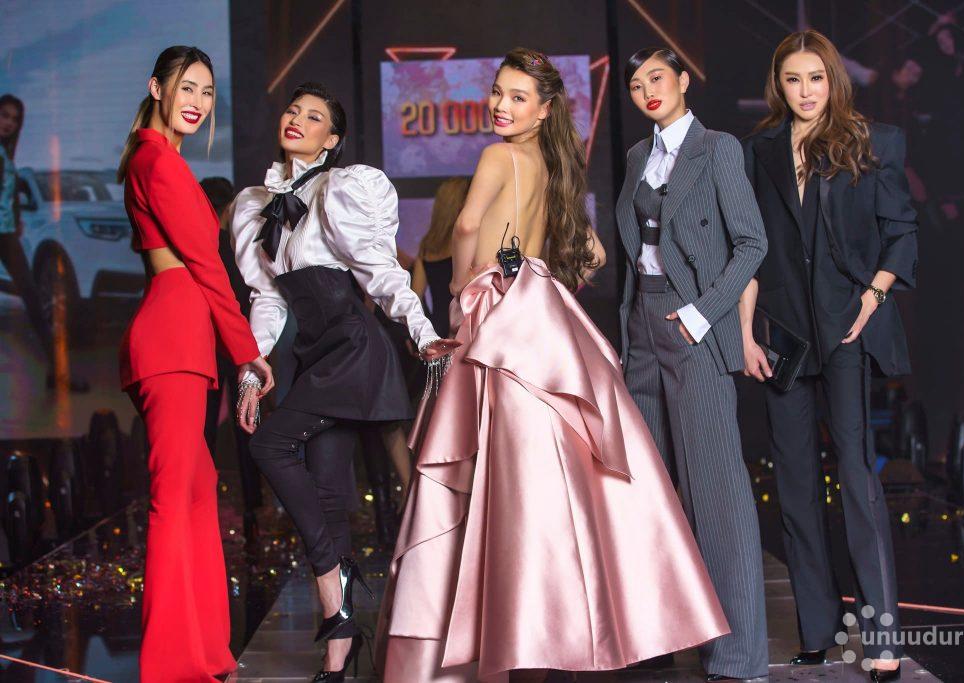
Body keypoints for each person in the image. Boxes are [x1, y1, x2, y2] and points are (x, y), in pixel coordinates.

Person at [378, 48, 729, 683]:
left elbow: (466, 225)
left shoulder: (497, 157)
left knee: (485, 471)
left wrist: (462, 288)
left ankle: (492, 631)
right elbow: (593, 253)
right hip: (542, 314)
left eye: (517, 97)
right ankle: (549, 624)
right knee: (546, 475)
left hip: (494, 315)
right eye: (498, 92)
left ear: (543, 110)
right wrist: (535, 274)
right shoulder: (554, 166)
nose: (500, 106)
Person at [231, 81, 457, 681]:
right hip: (316, 356)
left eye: (314, 117)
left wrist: (421, 330)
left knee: (270, 445)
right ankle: (341, 647)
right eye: (293, 110)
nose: (297, 120)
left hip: (356, 351)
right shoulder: (257, 204)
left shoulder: (340, 189)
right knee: (330, 494)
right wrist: (254, 368)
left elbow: (380, 271)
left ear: (331, 140)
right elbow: (268, 298)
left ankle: (334, 577)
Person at [740, 29, 916, 682]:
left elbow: (902, 234)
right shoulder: (760, 150)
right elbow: (751, 246)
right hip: (784, 334)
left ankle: (882, 635)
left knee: (857, 478)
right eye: (793, 79)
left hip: (848, 327)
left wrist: (873, 297)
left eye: (816, 77)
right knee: (794, 483)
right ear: (779, 85)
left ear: (833, 80)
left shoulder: (872, 142)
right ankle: (817, 630)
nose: (806, 91)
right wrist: (745, 333)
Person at [118, 46, 272, 682]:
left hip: (181, 340)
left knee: (196, 493)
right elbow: (207, 268)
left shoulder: (160, 159)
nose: (198, 102)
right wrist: (248, 353)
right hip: (173, 343)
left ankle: (206, 653)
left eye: (207, 92)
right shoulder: (157, 161)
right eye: (187, 87)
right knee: (175, 499)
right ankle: (170, 663)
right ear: (157, 87)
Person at [616, 46, 769, 682]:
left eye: (657, 77)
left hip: (692, 324)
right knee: (645, 496)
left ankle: (736, 656)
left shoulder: (717, 149)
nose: (647, 90)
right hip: (640, 328)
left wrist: (703, 315)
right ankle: (655, 641)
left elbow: (752, 243)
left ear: (683, 79)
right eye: (635, 84)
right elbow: (638, 251)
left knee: (716, 493)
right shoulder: (636, 157)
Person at [0, 94, 88, 393]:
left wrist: (15, 219)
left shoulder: (6, 155)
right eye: (4, 115)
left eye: (14, 119)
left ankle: (58, 373)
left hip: (6, 234)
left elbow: (9, 193)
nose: (8, 123)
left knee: (34, 300)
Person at [199, 176, 264, 546]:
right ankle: (253, 508)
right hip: (239, 348)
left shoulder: (200, 248)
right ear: (229, 207)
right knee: (246, 429)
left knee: (205, 429)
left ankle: (203, 504)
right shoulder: (239, 248)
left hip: (207, 346)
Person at [411, 176, 471, 339]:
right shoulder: (467, 243)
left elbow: (415, 297)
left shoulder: (427, 245)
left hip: (436, 328)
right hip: (464, 326)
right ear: (461, 204)